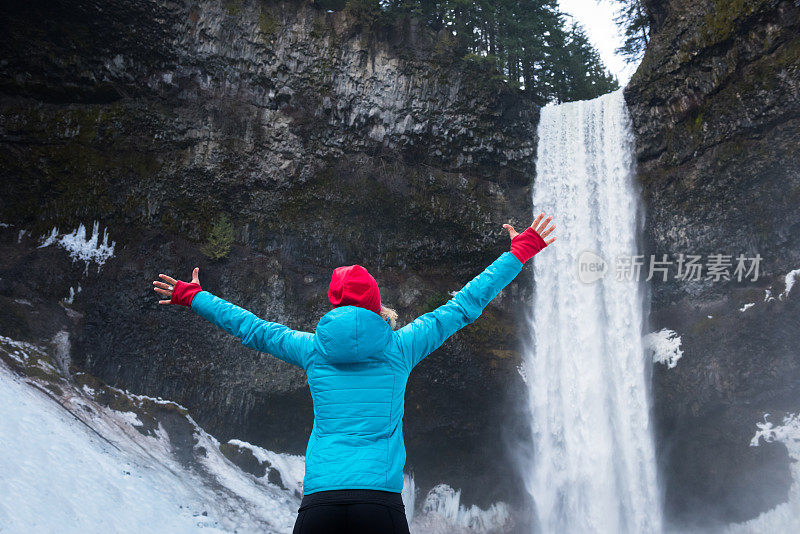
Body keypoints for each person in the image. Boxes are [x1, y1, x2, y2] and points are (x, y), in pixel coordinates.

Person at [152, 213, 556, 534]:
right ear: (377, 303)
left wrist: (194, 296)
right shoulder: (402, 347)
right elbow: (465, 304)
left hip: (322, 500)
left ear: (333, 303)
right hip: (379, 500)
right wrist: (518, 252)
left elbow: (252, 328)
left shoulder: (312, 350)